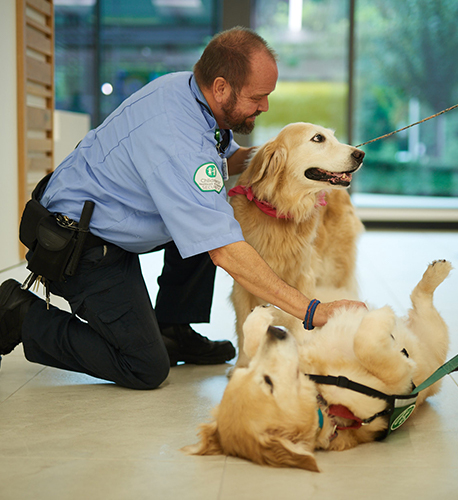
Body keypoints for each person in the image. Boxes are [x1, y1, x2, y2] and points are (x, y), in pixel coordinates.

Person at [0, 27, 364, 389]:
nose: (264, 106)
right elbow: (224, 249)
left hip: (110, 219)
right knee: (145, 366)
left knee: (209, 210)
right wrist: (313, 311)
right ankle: (20, 316)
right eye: (258, 97)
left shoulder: (187, 91)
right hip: (78, 245)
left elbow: (225, 157)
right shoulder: (178, 141)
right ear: (221, 87)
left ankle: (173, 326)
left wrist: (283, 158)